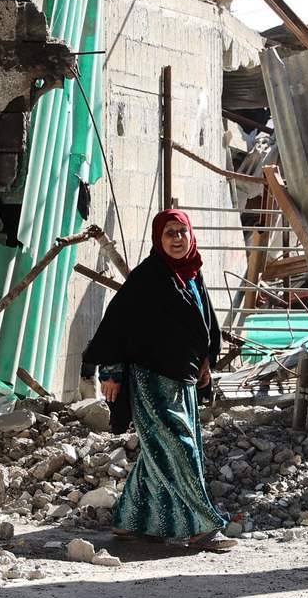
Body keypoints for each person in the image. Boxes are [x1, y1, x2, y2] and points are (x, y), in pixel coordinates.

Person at [80, 209, 235, 552]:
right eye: (170, 233)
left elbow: (203, 323)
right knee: (180, 449)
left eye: (182, 232)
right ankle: (203, 526)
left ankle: (132, 521)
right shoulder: (148, 278)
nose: (177, 239)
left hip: (184, 379)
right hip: (151, 380)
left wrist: (206, 359)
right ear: (158, 239)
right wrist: (112, 372)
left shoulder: (191, 273)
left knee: (158, 451)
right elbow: (118, 325)